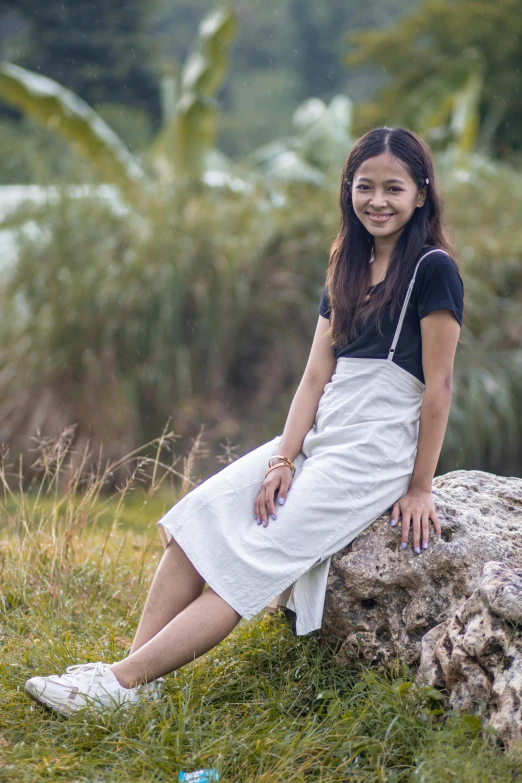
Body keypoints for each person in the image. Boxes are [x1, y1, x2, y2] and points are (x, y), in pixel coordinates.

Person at [25, 126, 464, 717]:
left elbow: (438, 385)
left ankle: (119, 683)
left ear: (420, 193)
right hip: (324, 429)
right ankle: (134, 682)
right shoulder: (346, 263)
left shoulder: (433, 268)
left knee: (249, 562)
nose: (377, 201)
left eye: (393, 188)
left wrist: (419, 486)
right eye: (365, 187)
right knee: (199, 521)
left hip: (375, 449)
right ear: (347, 191)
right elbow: (315, 376)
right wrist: (284, 457)